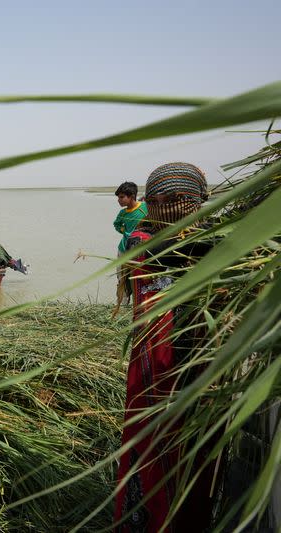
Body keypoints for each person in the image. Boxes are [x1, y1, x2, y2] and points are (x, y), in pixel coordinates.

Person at [114, 163, 214, 532]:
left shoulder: (210, 243)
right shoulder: (147, 243)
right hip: (157, 371)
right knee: (158, 454)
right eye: (156, 200)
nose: (165, 207)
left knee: (186, 458)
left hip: (188, 371)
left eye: (173, 200)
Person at [113, 181, 148, 255]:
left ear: (132, 196)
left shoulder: (145, 207)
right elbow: (116, 224)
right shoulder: (122, 213)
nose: (119, 200)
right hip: (124, 248)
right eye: (118, 197)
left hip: (141, 247)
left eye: (122, 197)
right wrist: (124, 230)